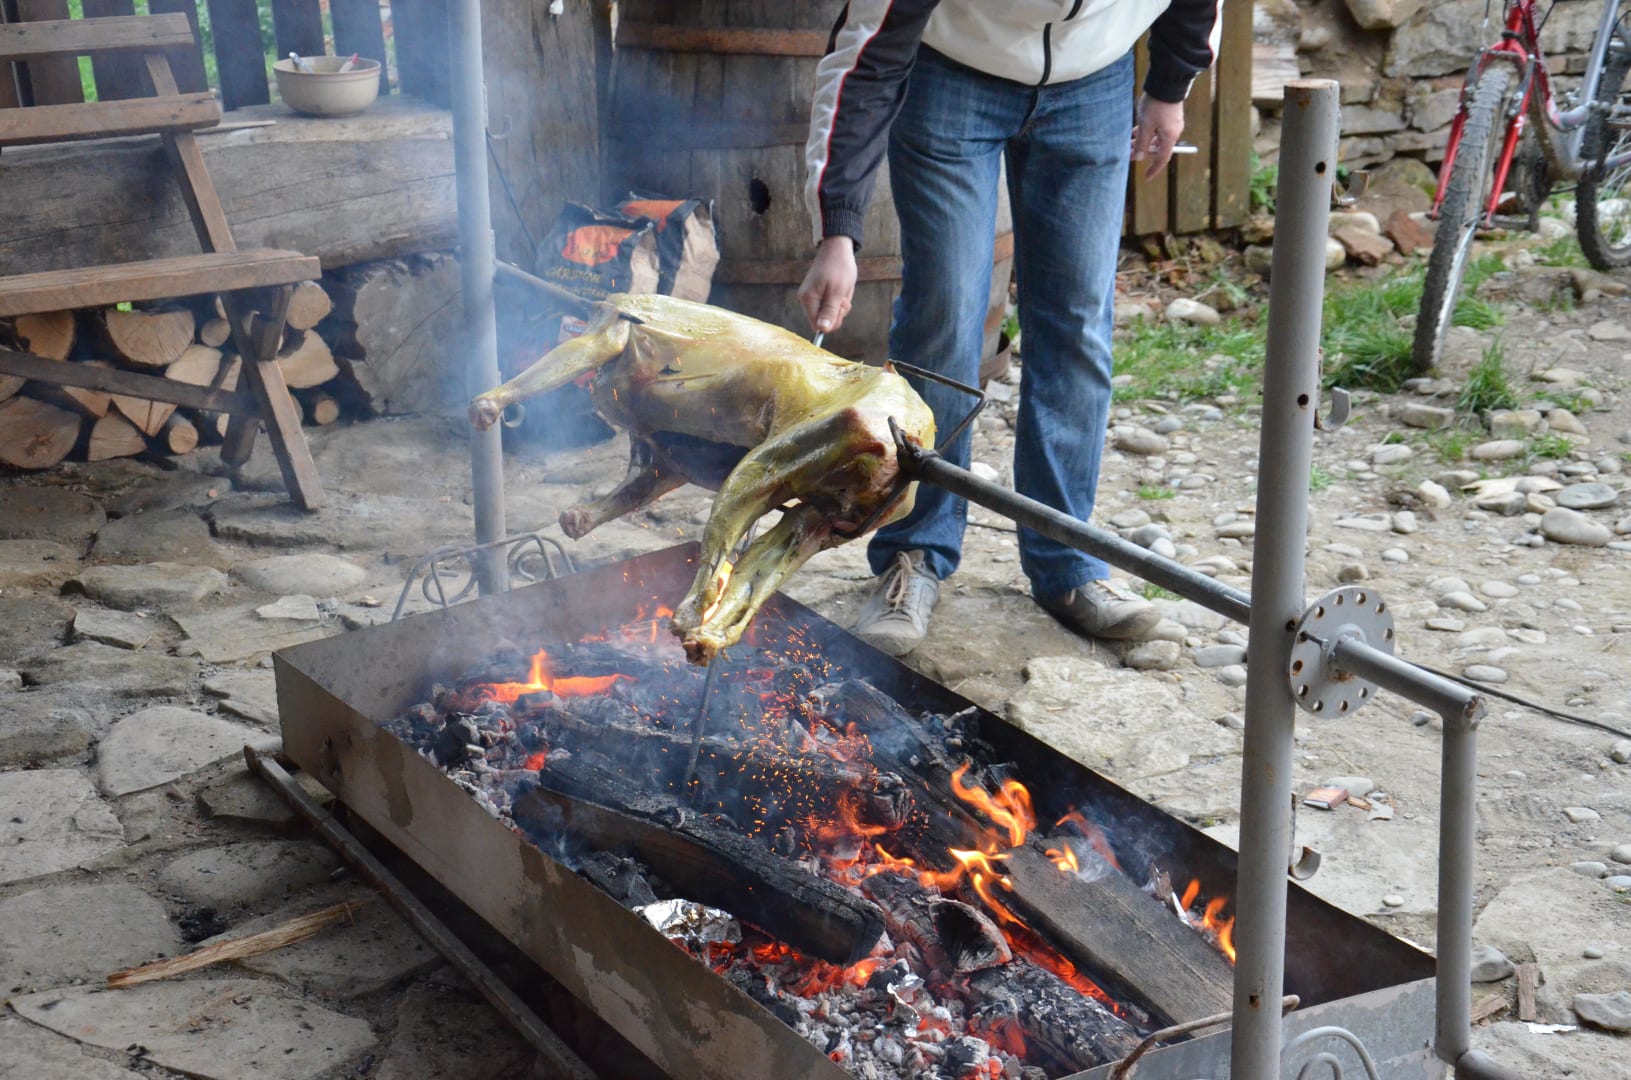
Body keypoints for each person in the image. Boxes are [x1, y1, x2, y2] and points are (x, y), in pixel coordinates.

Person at [799, 0, 1223, 657]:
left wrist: (1170, 87)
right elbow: (864, 61)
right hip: (950, 74)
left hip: (1093, 80)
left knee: (1077, 322)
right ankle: (914, 553)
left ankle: (1069, 564)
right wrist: (837, 230)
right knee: (943, 315)